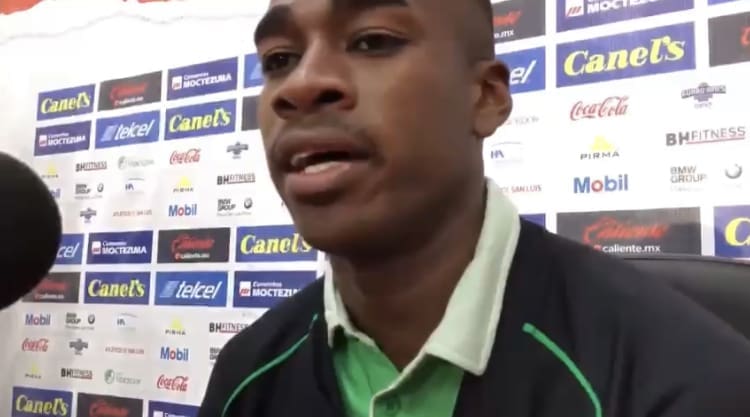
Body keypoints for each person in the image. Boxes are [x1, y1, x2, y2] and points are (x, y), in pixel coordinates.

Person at [198, 0, 750, 416]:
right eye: (279, 59)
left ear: (486, 97)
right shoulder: (245, 376)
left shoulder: (686, 383)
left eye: (372, 41)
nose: (300, 85)